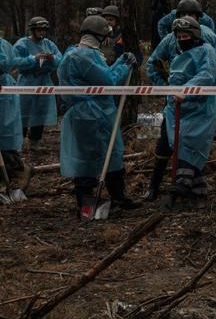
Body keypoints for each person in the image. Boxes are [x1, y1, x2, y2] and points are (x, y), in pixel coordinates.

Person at [57, 16, 140, 214]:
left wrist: (121, 60)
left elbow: (101, 76)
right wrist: (126, 64)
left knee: (109, 153)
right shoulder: (83, 56)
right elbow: (109, 81)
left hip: (91, 112)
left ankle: (116, 198)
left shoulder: (76, 53)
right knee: (93, 157)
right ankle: (88, 205)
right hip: (93, 113)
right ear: (101, 36)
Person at [150, 17, 216, 209]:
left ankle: (180, 186)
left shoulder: (207, 51)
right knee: (179, 144)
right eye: (179, 36)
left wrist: (187, 90)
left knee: (191, 144)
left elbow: (206, 75)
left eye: (186, 35)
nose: (182, 39)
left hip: (198, 109)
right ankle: (198, 193)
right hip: (176, 111)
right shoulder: (178, 55)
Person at [147, 0, 216, 125]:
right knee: (168, 135)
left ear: (198, 17)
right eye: (183, 14)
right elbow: (152, 63)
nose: (186, 17)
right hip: (176, 97)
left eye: (191, 14)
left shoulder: (208, 36)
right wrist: (164, 87)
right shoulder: (170, 39)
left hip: (201, 99)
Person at [13, 17, 62, 150]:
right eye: (39, 30)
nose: (42, 33)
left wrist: (52, 58)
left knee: (41, 111)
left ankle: (35, 141)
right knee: (24, 110)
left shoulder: (49, 44)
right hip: (27, 82)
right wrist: (33, 58)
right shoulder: (22, 44)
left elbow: (60, 59)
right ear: (33, 30)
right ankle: (20, 141)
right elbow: (15, 61)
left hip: (44, 82)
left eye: (44, 30)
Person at [1, 34, 37, 198]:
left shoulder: (2, 44)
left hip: (3, 94)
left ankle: (19, 170)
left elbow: (4, 62)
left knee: (3, 139)